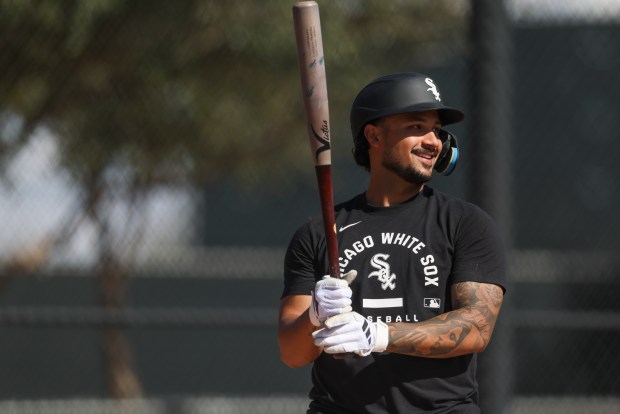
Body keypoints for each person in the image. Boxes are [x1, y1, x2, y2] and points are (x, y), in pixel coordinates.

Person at [278, 72, 506, 413]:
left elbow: (477, 326)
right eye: (417, 126)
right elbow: (292, 353)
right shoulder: (318, 233)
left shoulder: (465, 223)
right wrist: (313, 314)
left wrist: (378, 335)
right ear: (373, 135)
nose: (434, 141)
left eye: (437, 130)